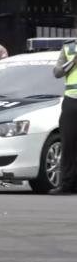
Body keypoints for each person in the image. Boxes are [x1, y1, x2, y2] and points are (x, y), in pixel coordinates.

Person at [49, 39, 77, 195]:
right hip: (72, 101)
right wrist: (73, 62)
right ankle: (67, 184)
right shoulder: (69, 47)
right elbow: (57, 72)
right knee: (69, 143)